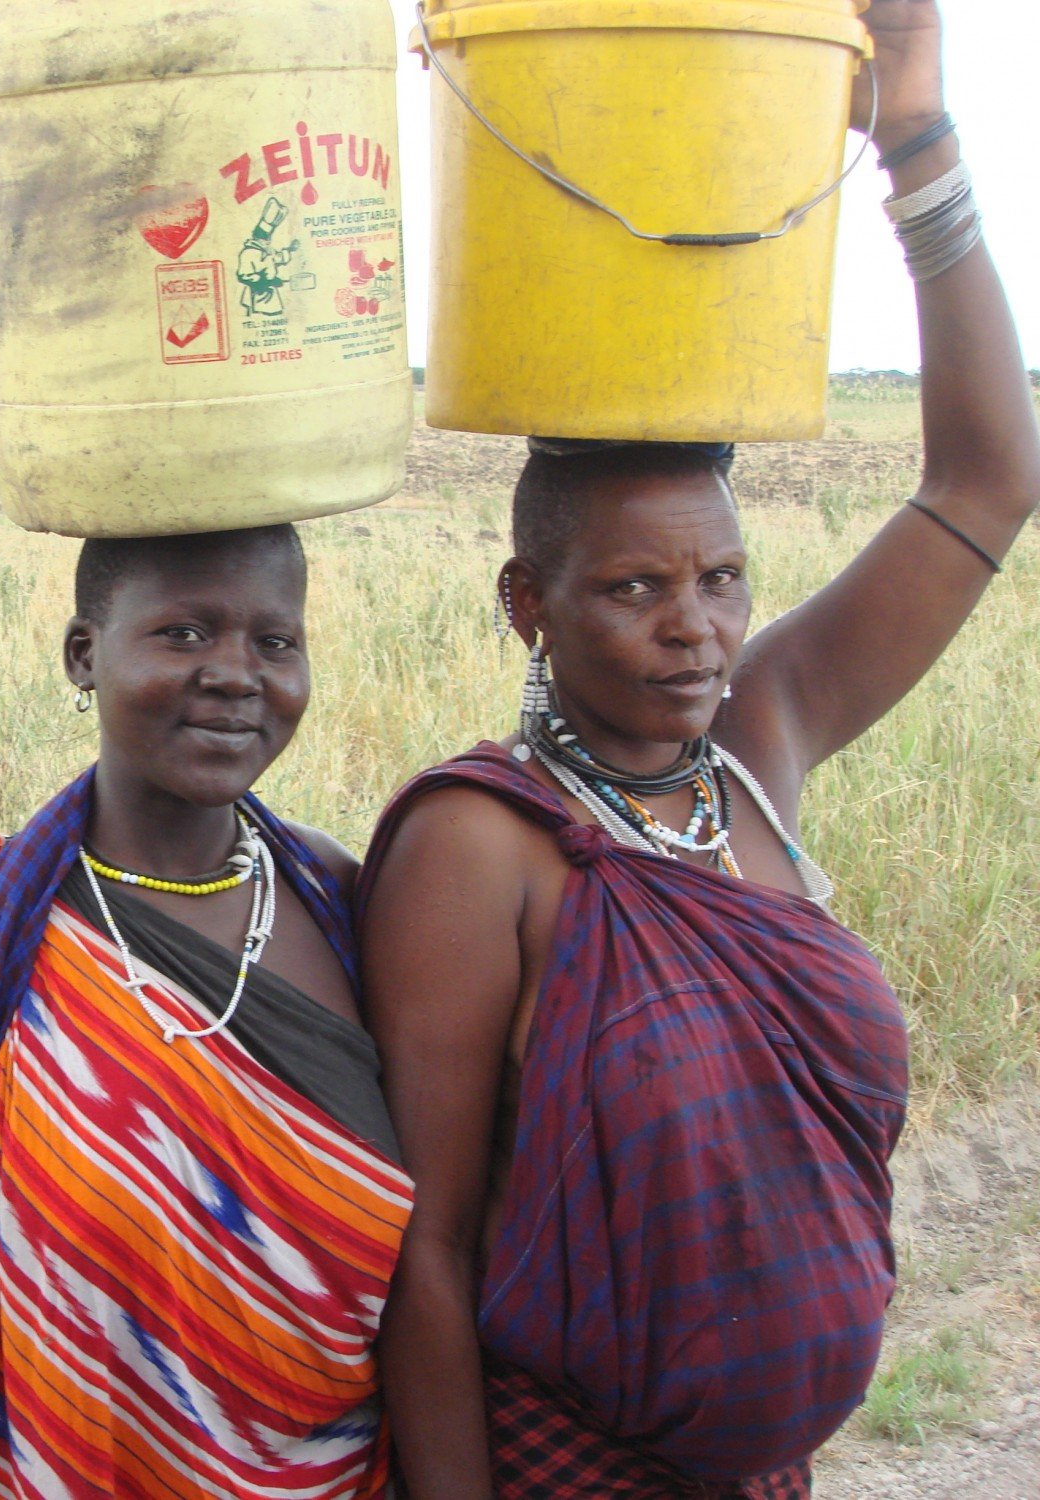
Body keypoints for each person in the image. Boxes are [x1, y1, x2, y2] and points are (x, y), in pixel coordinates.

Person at [358, 4, 1040, 1496]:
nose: (695, 630)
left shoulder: (759, 748)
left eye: (720, 579)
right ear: (526, 604)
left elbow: (992, 480)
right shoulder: (483, 844)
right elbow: (432, 1247)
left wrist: (916, 135)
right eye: (633, 589)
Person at [0, 526, 417, 1499]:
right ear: (82, 654)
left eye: (274, 642)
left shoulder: (337, 903)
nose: (233, 674)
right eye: (182, 633)